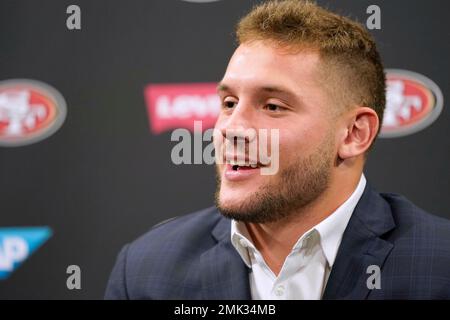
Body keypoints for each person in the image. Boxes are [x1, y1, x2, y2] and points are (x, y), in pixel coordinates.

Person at [105, 0, 450, 299]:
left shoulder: (439, 268)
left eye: (272, 106)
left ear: (353, 134)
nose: (231, 129)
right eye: (229, 102)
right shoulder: (145, 272)